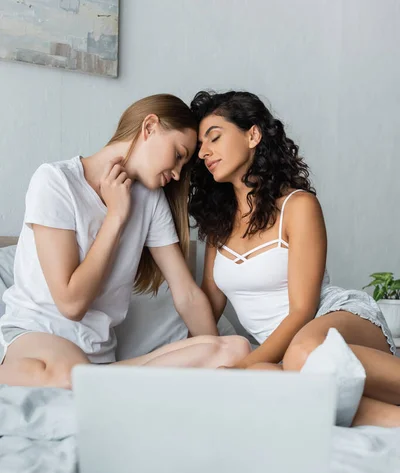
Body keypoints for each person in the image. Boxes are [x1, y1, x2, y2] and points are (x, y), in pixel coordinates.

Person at [0, 94, 250, 389]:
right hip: (37, 340)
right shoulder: (55, 181)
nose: (177, 172)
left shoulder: (150, 200)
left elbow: (187, 295)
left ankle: (102, 384)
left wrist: (216, 355)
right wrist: (116, 216)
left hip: (99, 361)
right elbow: (71, 304)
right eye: (179, 155)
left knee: (236, 349)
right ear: (150, 127)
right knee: (66, 372)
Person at [189, 90, 400, 427]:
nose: (204, 152)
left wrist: (239, 369)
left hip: (332, 319)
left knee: (303, 354)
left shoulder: (297, 206)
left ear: (253, 134)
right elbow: (207, 310)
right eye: (200, 145)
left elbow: (302, 310)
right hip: (284, 353)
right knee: (265, 376)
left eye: (214, 137)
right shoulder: (218, 227)